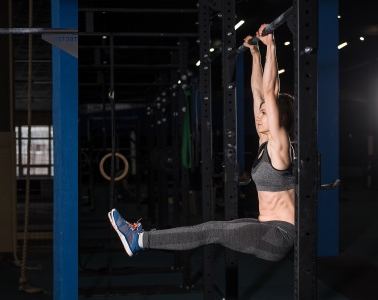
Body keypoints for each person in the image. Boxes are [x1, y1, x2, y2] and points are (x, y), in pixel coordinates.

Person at [108, 24, 296, 262]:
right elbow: (258, 93)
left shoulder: (280, 146)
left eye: (265, 113)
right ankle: (141, 239)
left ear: (281, 118)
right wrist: (255, 54)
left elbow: (270, 92)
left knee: (212, 230)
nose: (258, 115)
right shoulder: (265, 141)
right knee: (212, 226)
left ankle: (140, 240)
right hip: (267, 228)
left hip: (279, 236)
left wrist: (272, 47)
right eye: (259, 112)